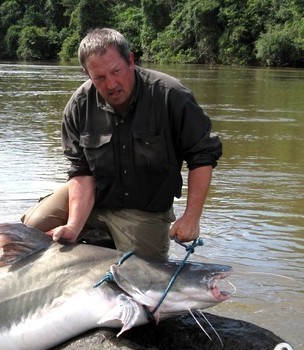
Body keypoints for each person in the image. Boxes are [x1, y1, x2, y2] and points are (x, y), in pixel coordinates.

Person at [22, 28, 222, 259]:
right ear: (87, 74)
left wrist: (192, 216)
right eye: (99, 78)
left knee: (144, 277)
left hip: (144, 210)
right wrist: (74, 226)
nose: (111, 84)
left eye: (116, 71)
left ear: (130, 60)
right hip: (94, 198)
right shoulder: (78, 106)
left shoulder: (171, 95)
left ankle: (103, 248)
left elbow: (202, 156)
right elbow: (81, 171)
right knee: (31, 229)